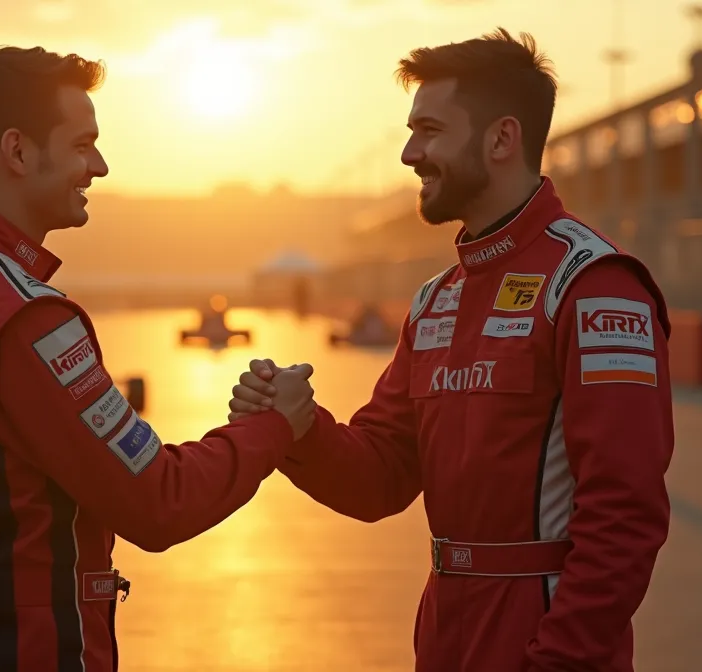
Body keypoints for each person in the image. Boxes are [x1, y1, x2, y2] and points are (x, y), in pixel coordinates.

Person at [228, 30, 674, 672]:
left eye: (430, 130)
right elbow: (378, 477)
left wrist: (556, 661)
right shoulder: (436, 300)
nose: (410, 153)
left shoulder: (595, 286)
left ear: (501, 139)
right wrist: (298, 424)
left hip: (544, 639)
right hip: (444, 634)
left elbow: (625, 518)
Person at [0, 46, 317, 672]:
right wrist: (272, 428)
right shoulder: (28, 317)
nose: (100, 166)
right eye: (83, 145)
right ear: (19, 152)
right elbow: (160, 500)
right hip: (34, 647)